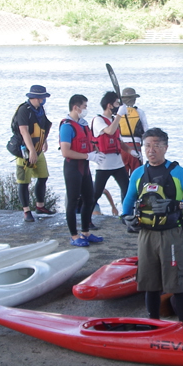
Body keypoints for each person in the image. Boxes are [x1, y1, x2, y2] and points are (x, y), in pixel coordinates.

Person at [122, 128, 183, 322]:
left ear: (165, 148)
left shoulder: (177, 172)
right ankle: (153, 322)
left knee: (176, 284)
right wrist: (125, 218)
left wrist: (176, 204)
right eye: (147, 146)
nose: (151, 150)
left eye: (157, 146)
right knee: (149, 283)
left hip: (171, 234)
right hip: (146, 235)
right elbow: (128, 200)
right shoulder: (138, 173)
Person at [57, 93, 100, 248]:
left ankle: (86, 232)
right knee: (73, 200)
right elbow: (65, 152)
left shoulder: (83, 124)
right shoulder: (67, 126)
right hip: (73, 167)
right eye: (84, 107)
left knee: (89, 198)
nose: (86, 109)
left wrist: (94, 152)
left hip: (85, 167)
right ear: (76, 107)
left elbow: (89, 142)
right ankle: (74, 235)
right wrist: (87, 155)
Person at [10, 85, 53, 221]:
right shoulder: (24, 110)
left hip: (38, 149)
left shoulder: (40, 110)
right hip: (25, 151)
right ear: (36, 97)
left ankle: (40, 206)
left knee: (43, 176)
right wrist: (32, 151)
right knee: (24, 181)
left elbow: (42, 127)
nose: (44, 100)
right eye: (43, 97)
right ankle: (26, 211)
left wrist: (44, 141)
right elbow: (24, 131)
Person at [90, 90, 130, 219]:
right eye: (117, 103)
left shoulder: (113, 119)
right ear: (109, 105)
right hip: (104, 165)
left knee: (127, 189)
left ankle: (127, 214)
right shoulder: (98, 120)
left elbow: (119, 141)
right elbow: (109, 131)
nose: (118, 106)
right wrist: (119, 115)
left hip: (118, 163)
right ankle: (87, 217)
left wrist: (132, 152)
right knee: (97, 193)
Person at [116, 86, 148, 172]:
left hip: (122, 148)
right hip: (135, 147)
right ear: (134, 99)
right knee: (137, 175)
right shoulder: (139, 112)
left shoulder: (118, 113)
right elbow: (146, 132)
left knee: (123, 177)